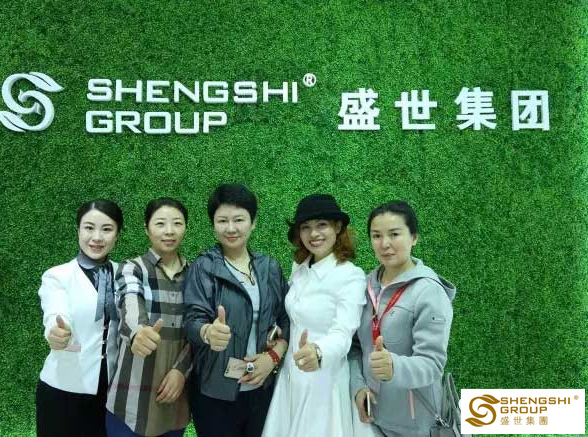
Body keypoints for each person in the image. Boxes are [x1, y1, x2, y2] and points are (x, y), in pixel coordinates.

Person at [183, 183, 290, 437]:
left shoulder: (269, 267)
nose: (231, 228)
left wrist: (272, 357)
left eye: (239, 219)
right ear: (213, 225)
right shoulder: (204, 267)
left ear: (253, 223)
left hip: (262, 388)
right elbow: (191, 319)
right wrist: (208, 332)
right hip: (215, 393)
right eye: (222, 221)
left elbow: (286, 319)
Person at [262, 194, 366, 437]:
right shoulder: (299, 268)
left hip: (324, 381)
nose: (313, 234)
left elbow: (343, 333)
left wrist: (319, 352)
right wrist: (278, 334)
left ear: (337, 227)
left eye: (322, 225)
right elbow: (296, 316)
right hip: (290, 378)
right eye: (306, 227)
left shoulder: (350, 276)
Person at [349, 201, 455, 437]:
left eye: (394, 234)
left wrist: (394, 367)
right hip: (371, 420)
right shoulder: (364, 287)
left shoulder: (429, 292)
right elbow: (354, 347)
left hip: (415, 426)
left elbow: (432, 364)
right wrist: (358, 387)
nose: (385, 244)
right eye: (376, 236)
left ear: (414, 237)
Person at [36, 199, 124, 437]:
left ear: (117, 235)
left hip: (111, 395)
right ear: (78, 231)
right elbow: (55, 312)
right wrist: (56, 332)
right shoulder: (58, 276)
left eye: (107, 229)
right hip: (63, 392)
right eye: (89, 228)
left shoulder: (126, 274)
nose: (97, 237)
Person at [105, 198, 192, 437]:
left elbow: (198, 329)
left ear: (185, 228)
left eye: (177, 223)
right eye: (160, 223)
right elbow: (130, 299)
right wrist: (138, 332)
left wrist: (181, 370)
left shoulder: (196, 274)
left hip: (175, 396)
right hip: (129, 398)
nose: (169, 231)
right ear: (147, 228)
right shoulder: (132, 267)